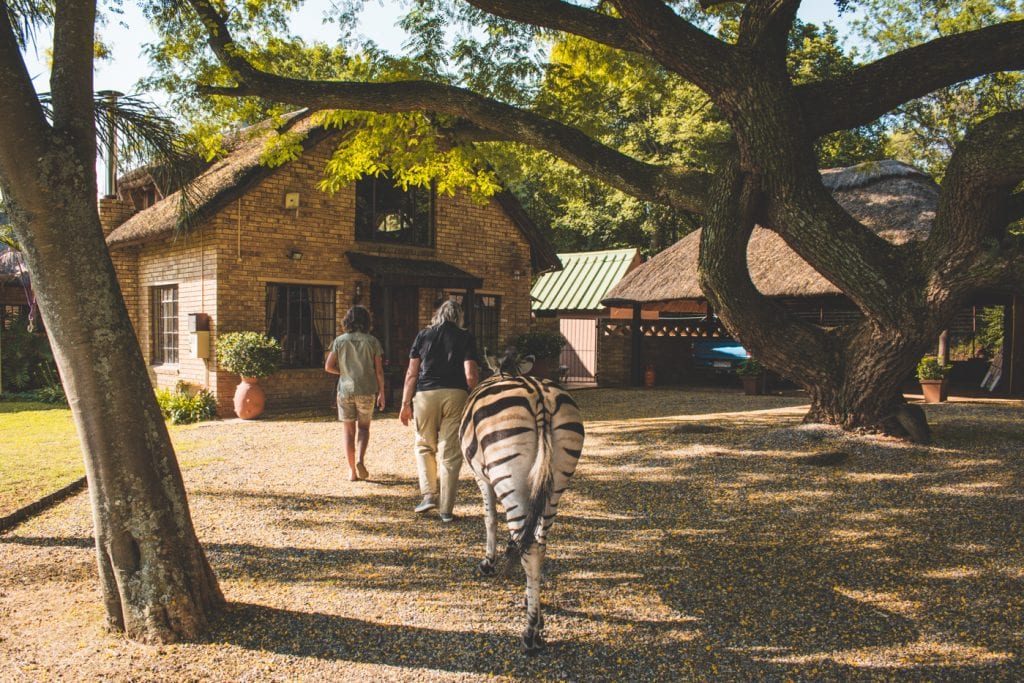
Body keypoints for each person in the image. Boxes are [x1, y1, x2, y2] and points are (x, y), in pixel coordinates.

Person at [399, 300, 479, 522]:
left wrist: (405, 404)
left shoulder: (423, 335)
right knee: (450, 452)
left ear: (438, 315)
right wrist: (475, 395)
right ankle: (446, 510)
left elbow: (411, 373)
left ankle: (428, 495)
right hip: (455, 395)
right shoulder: (465, 337)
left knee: (424, 445)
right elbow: (470, 375)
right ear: (458, 317)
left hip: (426, 396)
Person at [325, 305, 385, 482]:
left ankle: (351, 471)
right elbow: (379, 371)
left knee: (348, 431)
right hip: (367, 389)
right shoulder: (373, 341)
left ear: (347, 321)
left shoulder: (339, 341)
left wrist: (343, 372)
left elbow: (328, 367)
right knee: (364, 428)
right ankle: (360, 460)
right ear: (367, 321)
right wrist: (382, 392)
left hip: (345, 390)